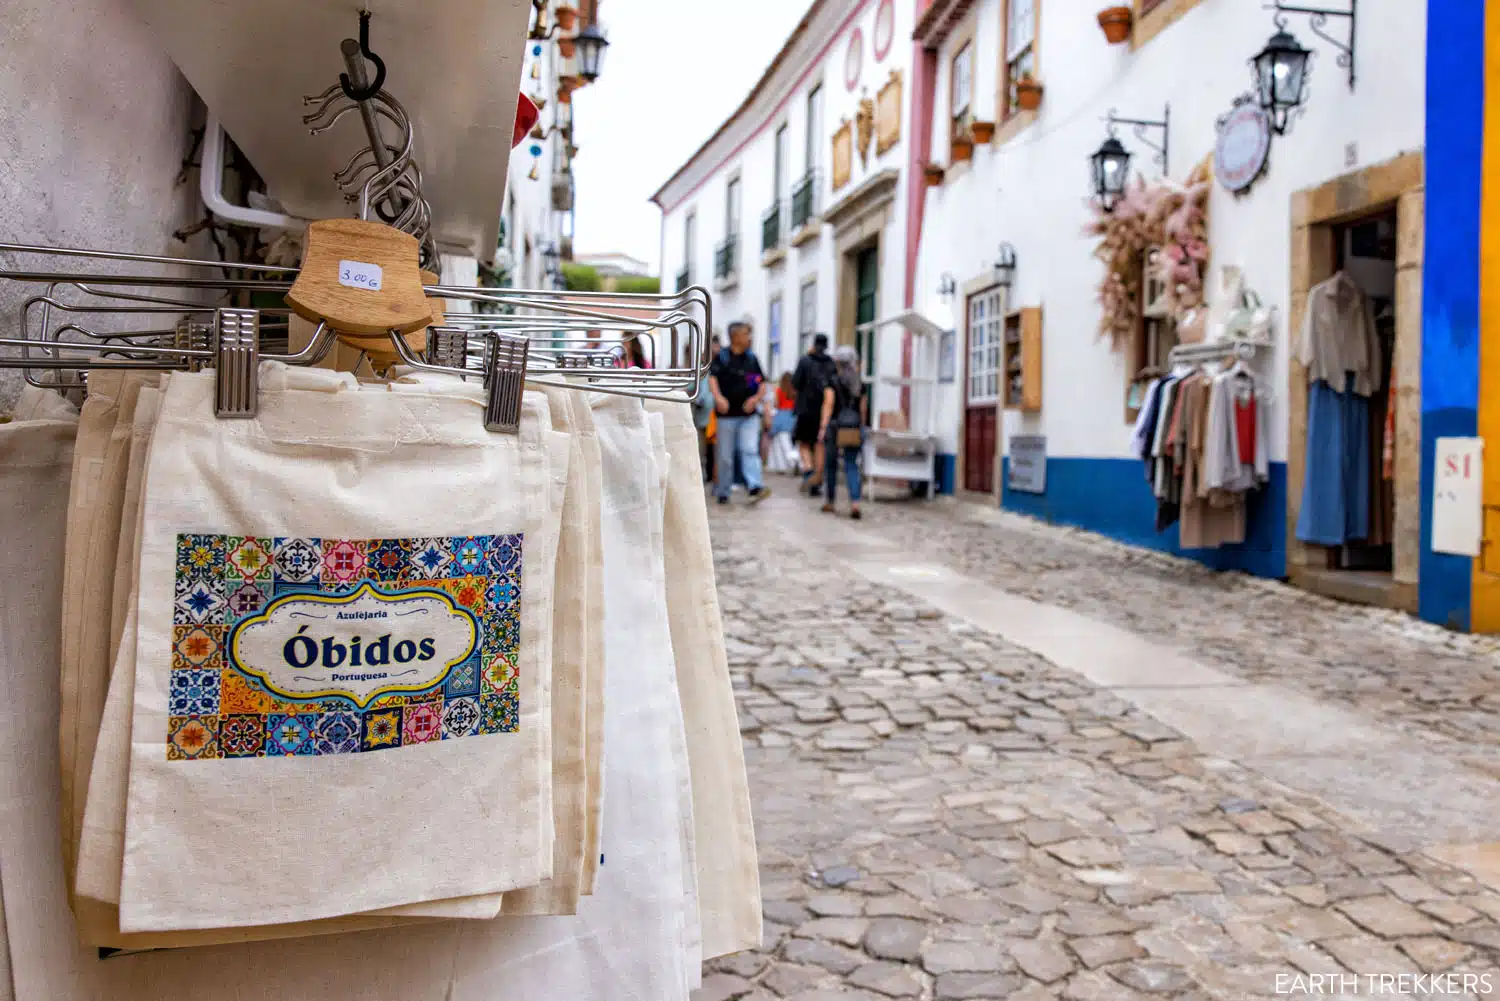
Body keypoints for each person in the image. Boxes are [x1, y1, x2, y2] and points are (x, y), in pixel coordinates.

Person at [709, 321, 770, 504]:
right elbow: (713, 380)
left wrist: (755, 399)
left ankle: (754, 486)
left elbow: (759, 383)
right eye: (745, 334)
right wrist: (719, 398)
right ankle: (724, 490)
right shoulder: (722, 358)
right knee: (725, 455)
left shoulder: (751, 359)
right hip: (726, 416)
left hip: (748, 416)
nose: (748, 338)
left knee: (749, 449)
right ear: (735, 336)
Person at [820, 344, 867, 519]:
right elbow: (863, 410)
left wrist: (822, 426)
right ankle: (855, 503)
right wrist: (861, 427)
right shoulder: (859, 384)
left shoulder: (832, 381)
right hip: (853, 426)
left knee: (831, 464)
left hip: (834, 426)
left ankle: (830, 502)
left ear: (837, 363)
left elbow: (828, 404)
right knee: (851, 464)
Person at [791, 334, 837, 495]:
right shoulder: (831, 363)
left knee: (803, 443)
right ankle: (817, 477)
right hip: (823, 410)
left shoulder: (805, 361)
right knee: (819, 444)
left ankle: (809, 471)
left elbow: (795, 383)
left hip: (805, 409)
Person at [766, 373, 800, 474]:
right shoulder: (796, 392)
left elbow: (776, 405)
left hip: (782, 418)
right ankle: (796, 462)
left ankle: (784, 465)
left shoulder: (779, 391)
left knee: (780, 445)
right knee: (794, 444)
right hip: (794, 417)